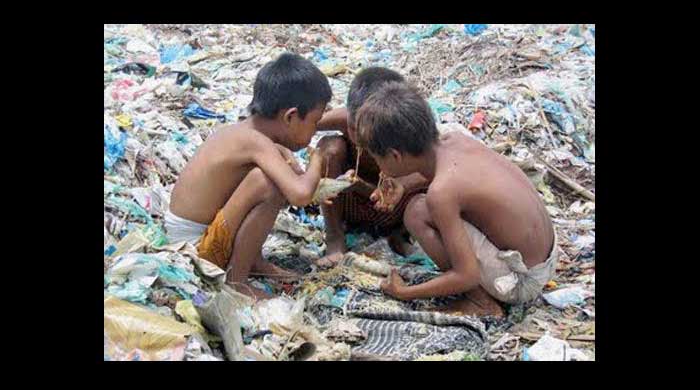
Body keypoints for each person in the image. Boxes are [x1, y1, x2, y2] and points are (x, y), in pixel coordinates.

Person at [354, 81, 558, 309]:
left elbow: (466, 275)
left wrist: (405, 292)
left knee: (416, 212)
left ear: (394, 156)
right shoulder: (457, 141)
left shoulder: (442, 193)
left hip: (521, 281)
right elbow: (449, 176)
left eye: (376, 157)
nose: (377, 164)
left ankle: (479, 303)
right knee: (429, 203)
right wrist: (404, 185)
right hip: (548, 256)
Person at [165, 53, 333, 299]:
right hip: (194, 250)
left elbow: (296, 181)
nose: (314, 132)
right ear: (290, 117)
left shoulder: (248, 133)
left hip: (191, 235)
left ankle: (254, 262)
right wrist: (318, 160)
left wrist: (322, 186)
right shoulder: (255, 142)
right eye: (314, 123)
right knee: (266, 184)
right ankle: (237, 281)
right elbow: (299, 193)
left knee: (271, 181)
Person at [314, 67, 429, 267]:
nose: (357, 135)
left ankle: (399, 235)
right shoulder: (345, 119)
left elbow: (435, 166)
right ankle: (334, 237)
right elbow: (298, 126)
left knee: (422, 195)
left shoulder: (406, 128)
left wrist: (402, 185)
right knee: (330, 146)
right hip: (350, 202)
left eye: (364, 129)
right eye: (352, 126)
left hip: (393, 205)